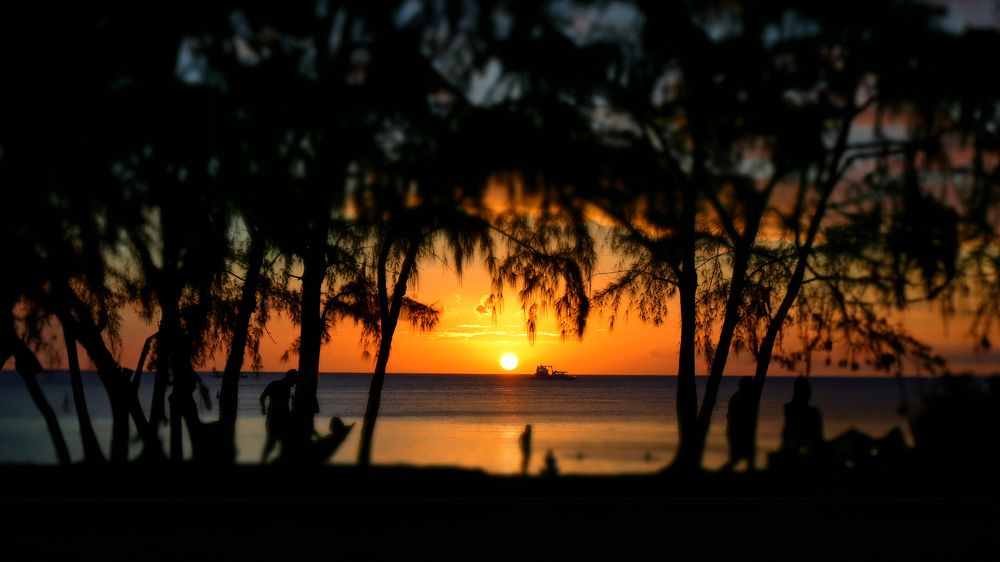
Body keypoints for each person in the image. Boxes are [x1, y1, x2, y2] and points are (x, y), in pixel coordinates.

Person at [779, 376, 824, 459]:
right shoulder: (812, 412)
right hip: (810, 451)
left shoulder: (789, 409)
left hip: (806, 449)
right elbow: (818, 438)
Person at [260, 369, 299, 463]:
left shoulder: (277, 384)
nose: (294, 384)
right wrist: (263, 408)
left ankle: (265, 461)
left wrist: (263, 408)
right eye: (294, 381)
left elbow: (262, 397)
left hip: (279, 419)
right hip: (275, 419)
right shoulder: (277, 385)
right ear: (290, 379)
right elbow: (262, 397)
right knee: (274, 443)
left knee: (277, 443)